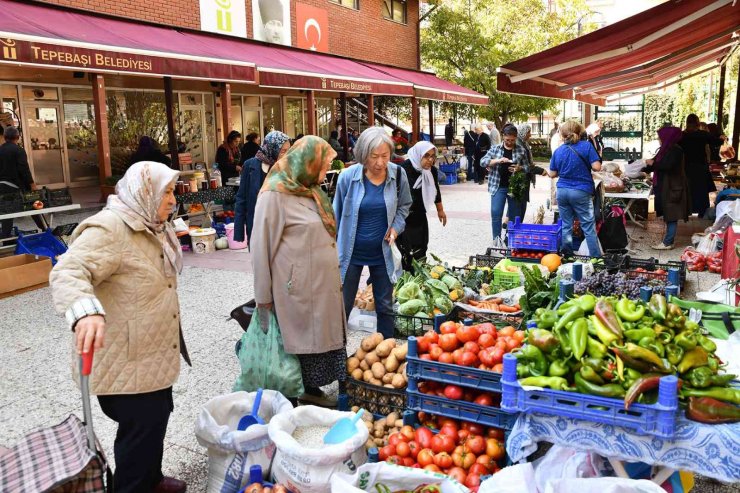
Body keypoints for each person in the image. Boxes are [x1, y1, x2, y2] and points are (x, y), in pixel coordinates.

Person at [49, 161, 189, 493]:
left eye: (172, 192)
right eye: (166, 192)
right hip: (125, 358)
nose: (172, 200)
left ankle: (151, 479)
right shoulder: (110, 228)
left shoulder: (150, 224)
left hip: (151, 351)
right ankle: (132, 486)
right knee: (140, 428)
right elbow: (68, 270)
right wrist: (85, 312)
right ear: (144, 192)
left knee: (156, 416)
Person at [251, 136, 345, 407]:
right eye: (324, 164)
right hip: (296, 289)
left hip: (319, 285)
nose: (326, 171)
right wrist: (263, 297)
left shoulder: (311, 189)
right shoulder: (274, 193)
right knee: (297, 346)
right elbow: (260, 249)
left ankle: (309, 389)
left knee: (317, 344)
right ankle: (289, 398)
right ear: (306, 162)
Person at [334, 127, 412, 339]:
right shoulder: (347, 178)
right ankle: (336, 357)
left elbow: (405, 205)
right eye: (374, 156)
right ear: (362, 155)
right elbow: (335, 216)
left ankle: (385, 350)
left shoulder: (398, 174)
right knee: (342, 306)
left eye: (385, 156)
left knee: (385, 306)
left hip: (382, 252)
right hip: (350, 253)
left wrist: (396, 227)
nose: (379, 163)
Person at [548, 120, 602, 256]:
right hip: (581, 191)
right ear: (580, 132)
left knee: (566, 224)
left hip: (562, 192)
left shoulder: (559, 151)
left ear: (562, 135)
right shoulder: (586, 146)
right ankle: (595, 257)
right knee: (588, 226)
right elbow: (597, 167)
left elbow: (552, 173)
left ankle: (567, 254)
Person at [233, 131, 291, 245]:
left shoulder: (287, 168)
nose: (287, 155)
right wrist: (239, 231)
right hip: (256, 225)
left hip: (280, 228)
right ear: (272, 148)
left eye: (289, 151)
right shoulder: (250, 165)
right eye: (283, 151)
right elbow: (241, 199)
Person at [397, 141, 447, 270]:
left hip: (420, 215)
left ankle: (419, 273)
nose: (430, 160)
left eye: (433, 156)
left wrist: (440, 210)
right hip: (404, 217)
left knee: (421, 246)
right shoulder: (403, 169)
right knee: (405, 249)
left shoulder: (431, 171)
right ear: (418, 155)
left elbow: (436, 190)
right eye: (426, 156)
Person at [480, 124, 530, 242]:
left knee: (514, 215)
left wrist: (519, 168)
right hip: (498, 186)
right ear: (503, 137)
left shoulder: (521, 150)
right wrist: (497, 160)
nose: (509, 142)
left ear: (516, 138)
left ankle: (510, 240)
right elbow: (482, 162)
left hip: (514, 187)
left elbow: (528, 167)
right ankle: (496, 241)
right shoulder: (495, 149)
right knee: (496, 213)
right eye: (507, 140)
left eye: (512, 140)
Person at [643, 126, 690, 250]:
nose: (659, 139)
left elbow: (667, 166)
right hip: (666, 186)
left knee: (671, 214)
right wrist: (642, 168)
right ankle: (668, 240)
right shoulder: (665, 149)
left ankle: (668, 242)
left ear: (668, 137)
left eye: (661, 136)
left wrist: (653, 164)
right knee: (669, 212)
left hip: (673, 186)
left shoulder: (676, 150)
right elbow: (656, 163)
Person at [0, 126, 38, 239]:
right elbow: (24, 169)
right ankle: (45, 229)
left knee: (5, 212)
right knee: (32, 205)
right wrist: (31, 184)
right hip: (14, 186)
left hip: (1, 185)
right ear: (17, 137)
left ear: (5, 137)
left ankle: (5, 237)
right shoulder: (18, 150)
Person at [680, 114, 714, 217]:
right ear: (697, 123)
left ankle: (685, 211)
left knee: (687, 190)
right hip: (700, 167)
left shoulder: (682, 135)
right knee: (701, 191)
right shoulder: (703, 134)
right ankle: (701, 212)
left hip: (686, 167)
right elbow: (716, 141)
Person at [515, 123, 549, 221]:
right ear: (523, 132)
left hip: (525, 178)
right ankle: (514, 229)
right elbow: (523, 166)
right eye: (528, 132)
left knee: (522, 205)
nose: (530, 134)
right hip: (519, 179)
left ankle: (516, 226)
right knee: (519, 207)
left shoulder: (524, 142)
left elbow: (528, 163)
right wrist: (541, 170)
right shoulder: (518, 144)